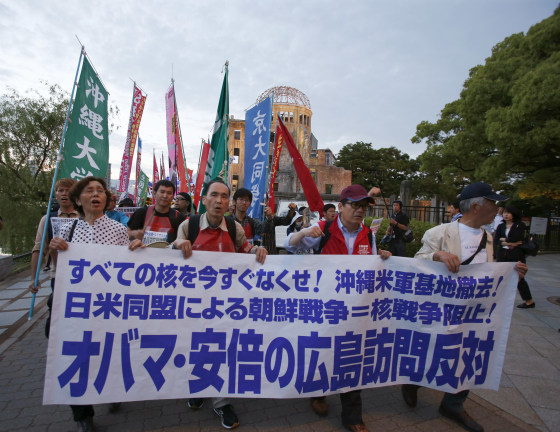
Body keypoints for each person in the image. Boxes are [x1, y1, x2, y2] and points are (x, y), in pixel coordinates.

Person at [402, 181, 528, 432]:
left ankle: (454, 403)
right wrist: (436, 256)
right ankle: (412, 381)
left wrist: (512, 274)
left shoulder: (489, 237)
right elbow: (416, 263)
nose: (497, 209)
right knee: (433, 351)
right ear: (476, 206)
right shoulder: (438, 233)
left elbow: (488, 272)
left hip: (474, 312)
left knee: (468, 354)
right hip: (440, 310)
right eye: (493, 203)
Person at [285, 184, 391, 432]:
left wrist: (382, 257)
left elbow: (374, 267)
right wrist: (302, 234)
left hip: (356, 310)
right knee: (322, 353)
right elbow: (290, 245)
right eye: (355, 205)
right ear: (341, 207)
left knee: (353, 356)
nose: (360, 211)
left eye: (364, 206)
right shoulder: (324, 229)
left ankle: (353, 416)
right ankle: (318, 394)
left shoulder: (369, 234)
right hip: (325, 308)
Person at [46, 176, 143, 432]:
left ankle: (111, 390)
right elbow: (61, 271)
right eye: (89, 191)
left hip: (108, 305)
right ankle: (82, 415)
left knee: (109, 349)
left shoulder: (118, 229)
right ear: (78, 200)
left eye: (100, 190)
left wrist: (136, 248)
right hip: (76, 305)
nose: (96, 194)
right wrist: (55, 250)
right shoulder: (66, 229)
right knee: (75, 352)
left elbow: (130, 268)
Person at [173, 179, 267, 430]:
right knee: (196, 347)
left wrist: (257, 252)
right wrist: (176, 245)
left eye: (225, 196)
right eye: (214, 195)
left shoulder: (235, 227)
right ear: (204, 199)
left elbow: (247, 250)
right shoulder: (188, 225)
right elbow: (167, 261)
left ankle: (222, 402)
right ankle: (198, 386)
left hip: (226, 305)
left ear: (229, 202)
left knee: (222, 350)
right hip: (193, 304)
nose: (219, 200)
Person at [29, 178, 79, 295]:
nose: (64, 193)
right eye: (60, 190)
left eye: (68, 190)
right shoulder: (47, 220)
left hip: (82, 274)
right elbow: (38, 249)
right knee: (55, 309)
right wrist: (33, 278)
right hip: (58, 275)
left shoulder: (85, 218)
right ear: (56, 194)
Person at [494, 205, 535, 308]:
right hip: (503, 255)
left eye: (508, 212)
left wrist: (506, 241)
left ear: (514, 214)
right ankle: (498, 300)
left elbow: (516, 238)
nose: (506, 215)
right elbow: (497, 240)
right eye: (504, 212)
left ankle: (529, 301)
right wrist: (511, 243)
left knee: (519, 278)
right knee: (500, 277)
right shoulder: (501, 226)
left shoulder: (519, 225)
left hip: (516, 255)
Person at [127, 179, 186, 244]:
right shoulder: (141, 213)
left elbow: (182, 240)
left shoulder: (178, 217)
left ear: (172, 197)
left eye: (169, 193)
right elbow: (126, 234)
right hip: (142, 253)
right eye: (162, 192)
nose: (165, 196)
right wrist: (134, 234)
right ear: (154, 193)